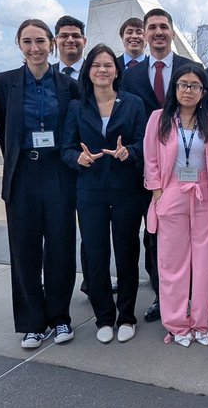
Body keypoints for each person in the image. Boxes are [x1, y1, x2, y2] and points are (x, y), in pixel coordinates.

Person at [0, 19, 78, 349]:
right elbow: (4, 130)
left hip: (58, 173)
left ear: (51, 44)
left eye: (40, 41)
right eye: (27, 41)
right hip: (23, 175)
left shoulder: (68, 85)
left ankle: (60, 317)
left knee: (60, 248)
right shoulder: (6, 83)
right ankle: (32, 323)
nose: (34, 48)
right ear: (19, 45)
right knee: (24, 250)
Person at [62, 44, 146, 344]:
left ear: (116, 70)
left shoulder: (133, 104)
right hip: (91, 191)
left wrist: (129, 152)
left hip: (126, 191)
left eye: (108, 64)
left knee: (126, 254)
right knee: (96, 256)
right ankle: (104, 317)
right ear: (88, 71)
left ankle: (127, 316)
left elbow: (144, 144)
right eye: (96, 65)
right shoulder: (77, 107)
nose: (102, 70)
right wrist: (78, 158)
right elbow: (66, 148)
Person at [121, 8, 190, 321]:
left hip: (184, 170)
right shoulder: (130, 75)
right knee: (153, 235)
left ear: (172, 32)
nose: (158, 32)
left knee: (186, 237)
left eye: (164, 26)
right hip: (142, 170)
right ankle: (163, 295)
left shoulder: (190, 68)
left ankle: (190, 294)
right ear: (145, 34)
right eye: (152, 27)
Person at [144, 64, 208, 346]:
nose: (188, 90)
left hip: (204, 194)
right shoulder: (159, 119)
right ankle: (176, 323)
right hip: (172, 192)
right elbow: (151, 159)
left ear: (203, 92)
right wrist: (158, 192)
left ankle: (200, 321)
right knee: (172, 263)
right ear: (174, 88)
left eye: (194, 86)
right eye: (183, 84)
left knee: (204, 262)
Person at [53, 16, 87, 81]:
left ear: (84, 41)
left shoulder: (95, 72)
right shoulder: (46, 74)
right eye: (64, 36)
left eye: (75, 36)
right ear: (55, 41)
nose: (70, 40)